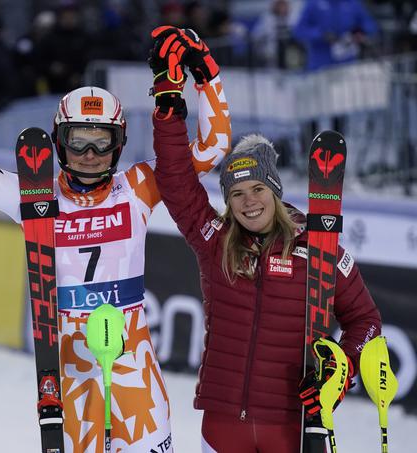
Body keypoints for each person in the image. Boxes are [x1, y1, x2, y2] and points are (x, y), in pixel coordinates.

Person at [0, 18, 231, 453]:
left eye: (103, 142)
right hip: (71, 373)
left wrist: (205, 74)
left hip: (133, 369)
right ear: (59, 143)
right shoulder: (37, 196)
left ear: (119, 145)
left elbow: (212, 147)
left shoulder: (136, 187)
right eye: (79, 142)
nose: (92, 156)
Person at [149, 28, 382, 452]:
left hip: (292, 429)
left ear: (275, 192)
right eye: (236, 194)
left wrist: (339, 373)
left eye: (257, 189)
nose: (248, 202)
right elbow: (176, 180)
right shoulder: (215, 241)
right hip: (221, 429)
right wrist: (169, 102)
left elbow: (366, 322)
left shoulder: (320, 248)